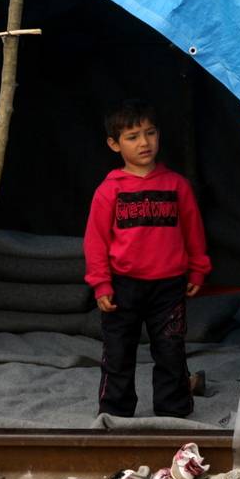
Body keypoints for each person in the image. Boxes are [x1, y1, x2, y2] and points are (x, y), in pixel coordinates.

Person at [84, 100, 210, 427]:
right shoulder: (109, 190)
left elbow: (193, 230)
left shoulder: (176, 185)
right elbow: (95, 242)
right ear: (114, 144)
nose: (144, 143)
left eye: (150, 133)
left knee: (170, 350)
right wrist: (101, 284)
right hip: (122, 286)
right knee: (118, 352)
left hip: (169, 287)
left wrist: (198, 268)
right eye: (132, 136)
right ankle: (116, 411)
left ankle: (173, 411)